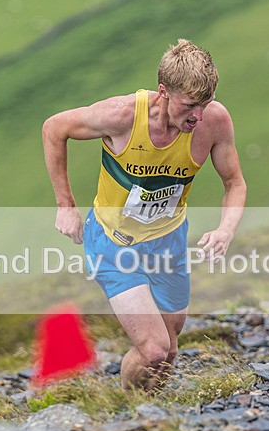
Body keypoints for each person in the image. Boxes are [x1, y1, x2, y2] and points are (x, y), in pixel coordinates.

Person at [42, 39, 246, 391]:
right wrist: (66, 206)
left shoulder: (214, 122)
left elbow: (235, 183)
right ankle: (129, 409)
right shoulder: (122, 116)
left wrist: (226, 230)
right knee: (153, 350)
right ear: (163, 92)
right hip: (114, 243)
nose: (197, 116)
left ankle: (148, 414)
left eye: (205, 103)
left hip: (168, 242)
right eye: (189, 106)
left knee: (169, 349)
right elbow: (53, 128)